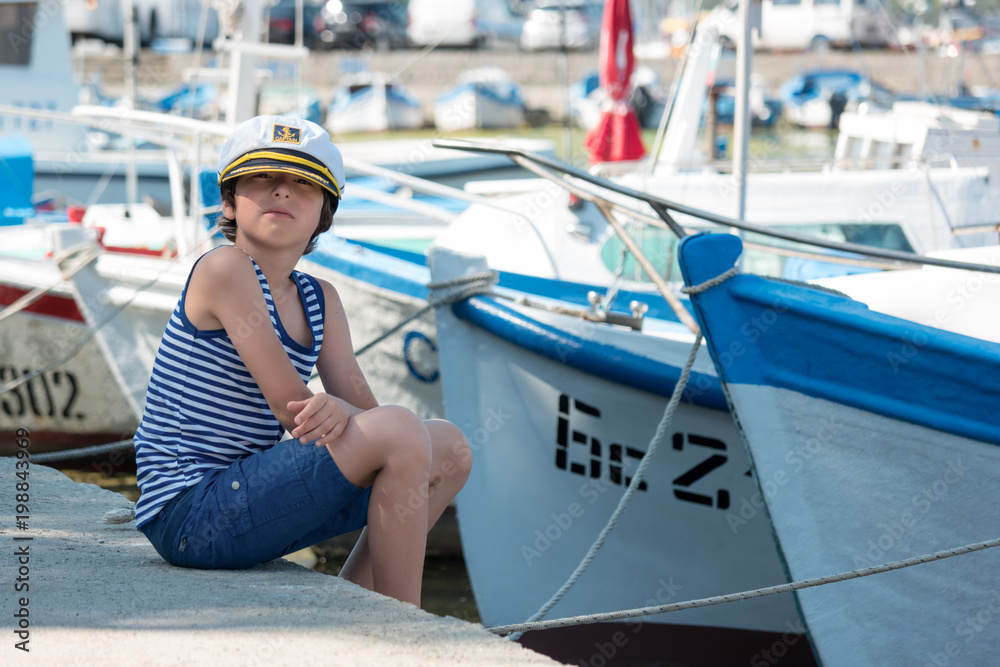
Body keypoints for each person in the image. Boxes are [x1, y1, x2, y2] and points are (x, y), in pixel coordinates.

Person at [133, 115, 471, 606]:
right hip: (191, 514)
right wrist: (351, 417)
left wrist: (352, 415)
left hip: (248, 498)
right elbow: (293, 409)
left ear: (324, 214)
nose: (282, 192)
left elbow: (376, 422)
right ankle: (404, 627)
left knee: (449, 447)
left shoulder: (321, 299)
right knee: (400, 429)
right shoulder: (224, 268)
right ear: (229, 201)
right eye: (263, 178)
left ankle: (359, 603)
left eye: (302, 183)